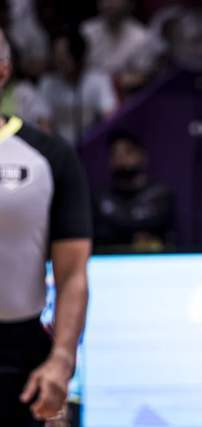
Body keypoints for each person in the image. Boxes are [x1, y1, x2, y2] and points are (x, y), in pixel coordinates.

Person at [0, 28, 92, 425]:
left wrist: (62, 358)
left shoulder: (49, 156)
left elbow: (72, 274)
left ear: (3, 71)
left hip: (17, 354)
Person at [93, 130, 175, 251]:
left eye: (128, 152)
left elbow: (163, 232)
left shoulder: (160, 195)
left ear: (142, 156)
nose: (121, 158)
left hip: (150, 259)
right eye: (115, 153)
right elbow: (99, 235)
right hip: (111, 259)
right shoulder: (100, 198)